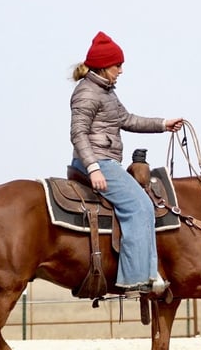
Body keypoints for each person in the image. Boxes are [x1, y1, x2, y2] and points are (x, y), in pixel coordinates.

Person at [69, 31, 183, 293]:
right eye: (117, 65)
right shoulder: (87, 94)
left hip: (105, 161)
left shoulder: (106, 92)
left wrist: (163, 125)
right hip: (98, 162)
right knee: (140, 206)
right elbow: (78, 133)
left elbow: (127, 119)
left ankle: (147, 269)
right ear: (103, 65)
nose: (121, 70)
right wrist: (94, 167)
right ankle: (134, 278)